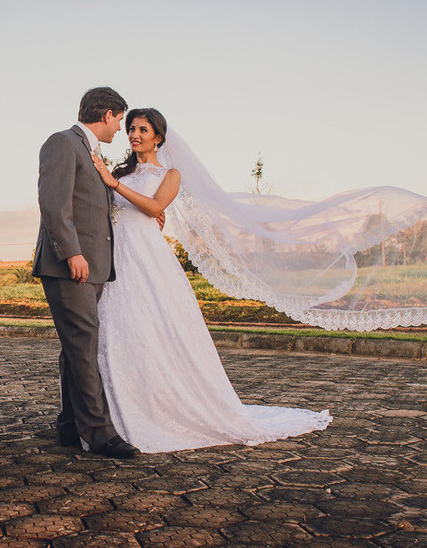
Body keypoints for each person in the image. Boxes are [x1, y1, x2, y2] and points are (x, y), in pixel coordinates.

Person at [91, 108, 331, 452]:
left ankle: (160, 408)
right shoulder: (120, 172)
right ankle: (116, 410)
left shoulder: (170, 174)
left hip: (146, 256)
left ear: (158, 137)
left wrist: (115, 186)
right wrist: (113, 185)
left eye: (143, 129)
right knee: (120, 327)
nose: (134, 134)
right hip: (117, 254)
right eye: (131, 128)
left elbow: (155, 206)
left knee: (151, 324)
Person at [32, 87, 140, 459]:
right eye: (119, 120)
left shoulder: (91, 152)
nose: (120, 129)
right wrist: (72, 253)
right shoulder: (62, 143)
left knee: (75, 347)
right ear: (108, 114)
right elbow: (53, 204)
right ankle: (99, 433)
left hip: (93, 267)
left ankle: (68, 424)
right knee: (83, 345)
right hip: (71, 267)